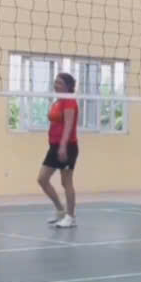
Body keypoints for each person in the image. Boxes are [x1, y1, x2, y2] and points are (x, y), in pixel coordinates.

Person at [39, 72, 79, 228]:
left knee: (66, 182)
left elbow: (68, 126)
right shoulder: (57, 102)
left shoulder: (69, 101)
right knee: (42, 179)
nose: (56, 85)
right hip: (54, 146)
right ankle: (60, 210)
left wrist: (63, 146)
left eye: (60, 83)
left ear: (68, 86)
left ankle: (70, 217)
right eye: (55, 82)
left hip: (67, 146)